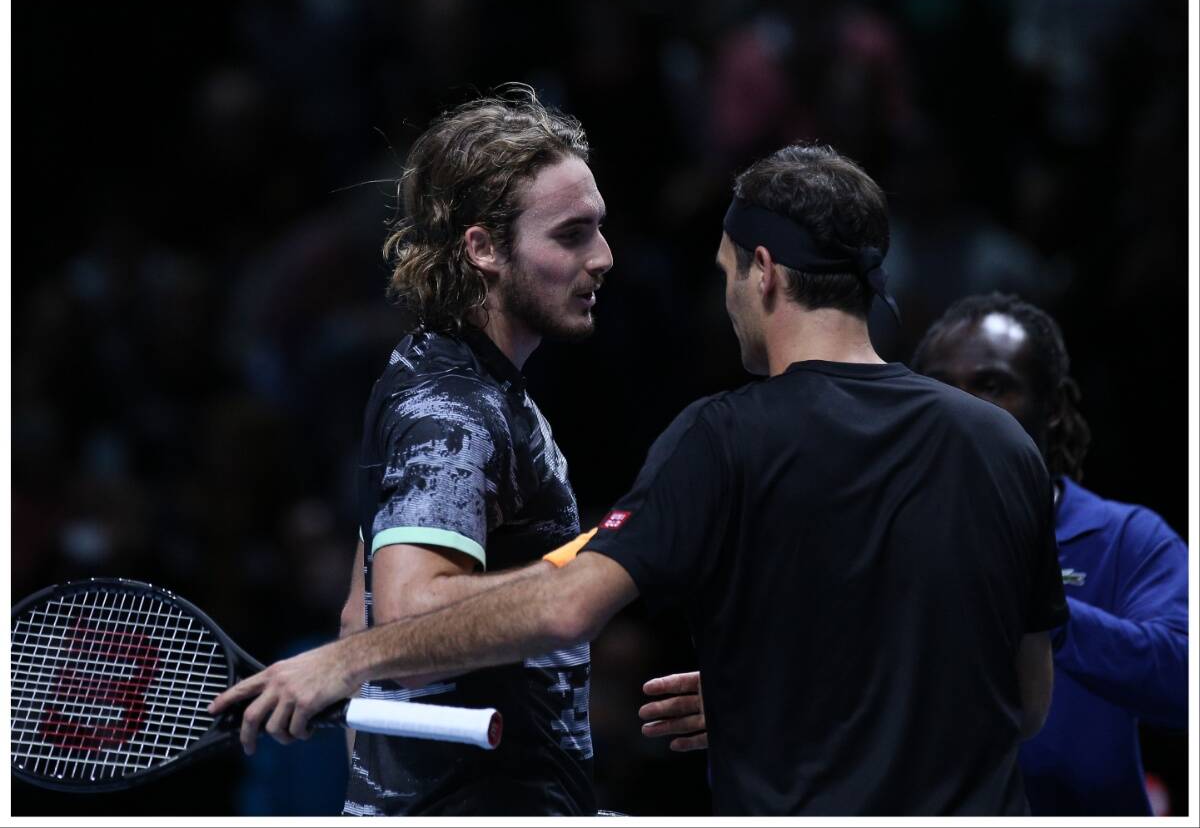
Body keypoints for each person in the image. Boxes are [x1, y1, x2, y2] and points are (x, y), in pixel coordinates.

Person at [213, 144, 1067, 816]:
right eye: (574, 232)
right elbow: (1022, 702)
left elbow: (561, 607)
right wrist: (772, 697)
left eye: (728, 272)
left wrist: (344, 659)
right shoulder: (1004, 445)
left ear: (763, 270)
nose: (608, 260)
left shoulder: (721, 439)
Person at [331, 87, 612, 815]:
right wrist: (585, 577)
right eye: (571, 235)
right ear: (484, 248)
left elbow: (355, 620)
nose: (603, 258)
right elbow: (402, 612)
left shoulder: (445, 378)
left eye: (598, 230)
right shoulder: (451, 411)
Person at [908, 292, 1188, 815]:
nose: (962, 409)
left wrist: (1040, 606)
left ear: (1053, 407)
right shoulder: (881, 536)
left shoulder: (1128, 539)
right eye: (940, 389)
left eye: (992, 386)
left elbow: (1184, 683)